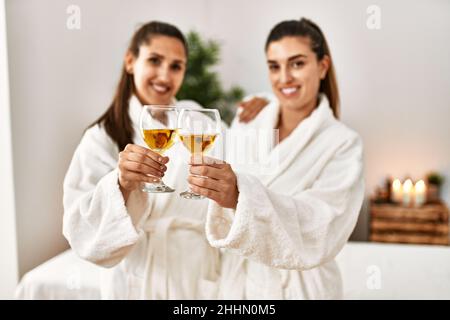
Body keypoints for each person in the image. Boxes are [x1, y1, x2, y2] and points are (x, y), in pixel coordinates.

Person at [188, 18, 365, 299]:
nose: (284, 78)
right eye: (274, 66)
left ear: (322, 66)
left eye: (297, 63)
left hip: (301, 287)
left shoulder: (342, 143)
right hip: (240, 286)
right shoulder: (251, 119)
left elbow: (323, 226)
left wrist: (240, 196)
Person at [63, 21, 225, 299]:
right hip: (136, 277)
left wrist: (260, 104)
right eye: (154, 60)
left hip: (195, 270)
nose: (165, 75)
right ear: (130, 61)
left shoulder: (195, 116)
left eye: (176, 66)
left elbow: (236, 171)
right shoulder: (101, 137)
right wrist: (122, 185)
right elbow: (80, 228)